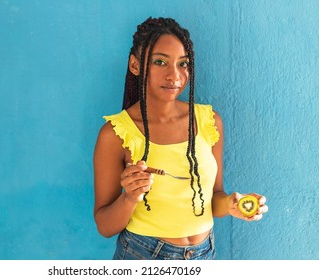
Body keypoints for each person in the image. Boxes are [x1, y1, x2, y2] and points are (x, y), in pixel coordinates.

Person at [93, 17, 268, 260]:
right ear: (135, 65)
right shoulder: (115, 133)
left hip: (204, 254)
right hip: (143, 255)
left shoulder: (209, 121)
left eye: (183, 64)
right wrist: (130, 197)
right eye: (160, 62)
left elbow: (214, 198)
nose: (174, 76)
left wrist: (230, 204)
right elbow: (105, 226)